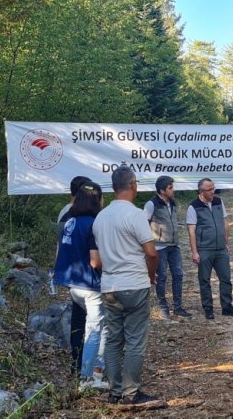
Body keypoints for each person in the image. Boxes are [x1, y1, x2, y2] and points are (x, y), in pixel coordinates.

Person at [92, 166, 162, 405]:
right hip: (133, 283)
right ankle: (131, 393)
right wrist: (151, 277)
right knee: (134, 340)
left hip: (109, 285)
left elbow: (97, 260)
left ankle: (115, 391)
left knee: (113, 339)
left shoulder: (100, 217)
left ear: (112, 187)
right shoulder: (135, 215)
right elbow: (151, 253)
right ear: (133, 185)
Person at [54, 181, 108, 390]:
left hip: (72, 283)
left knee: (101, 328)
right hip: (90, 284)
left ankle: (96, 372)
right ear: (95, 200)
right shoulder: (93, 224)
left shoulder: (70, 221)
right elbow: (95, 261)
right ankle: (86, 378)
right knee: (95, 330)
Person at [187, 178, 233, 320]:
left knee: (226, 279)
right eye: (209, 189)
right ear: (201, 191)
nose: (213, 191)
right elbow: (191, 231)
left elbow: (225, 222)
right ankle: (208, 309)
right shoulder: (193, 207)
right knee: (204, 280)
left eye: (213, 188)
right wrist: (194, 252)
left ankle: (227, 307)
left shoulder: (218, 201)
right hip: (204, 249)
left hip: (221, 249)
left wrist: (226, 242)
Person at [143, 176, 192, 320]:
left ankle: (178, 307)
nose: (173, 190)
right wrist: (149, 245)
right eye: (170, 188)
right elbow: (143, 224)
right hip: (159, 247)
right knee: (162, 277)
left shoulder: (172, 203)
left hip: (174, 245)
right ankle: (163, 309)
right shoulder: (151, 204)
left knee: (178, 275)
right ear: (162, 190)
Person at [57, 175, 91, 376]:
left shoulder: (64, 213)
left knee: (79, 318)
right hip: (87, 274)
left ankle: (76, 362)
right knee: (91, 320)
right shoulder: (85, 214)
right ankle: (87, 365)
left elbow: (60, 243)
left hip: (71, 273)